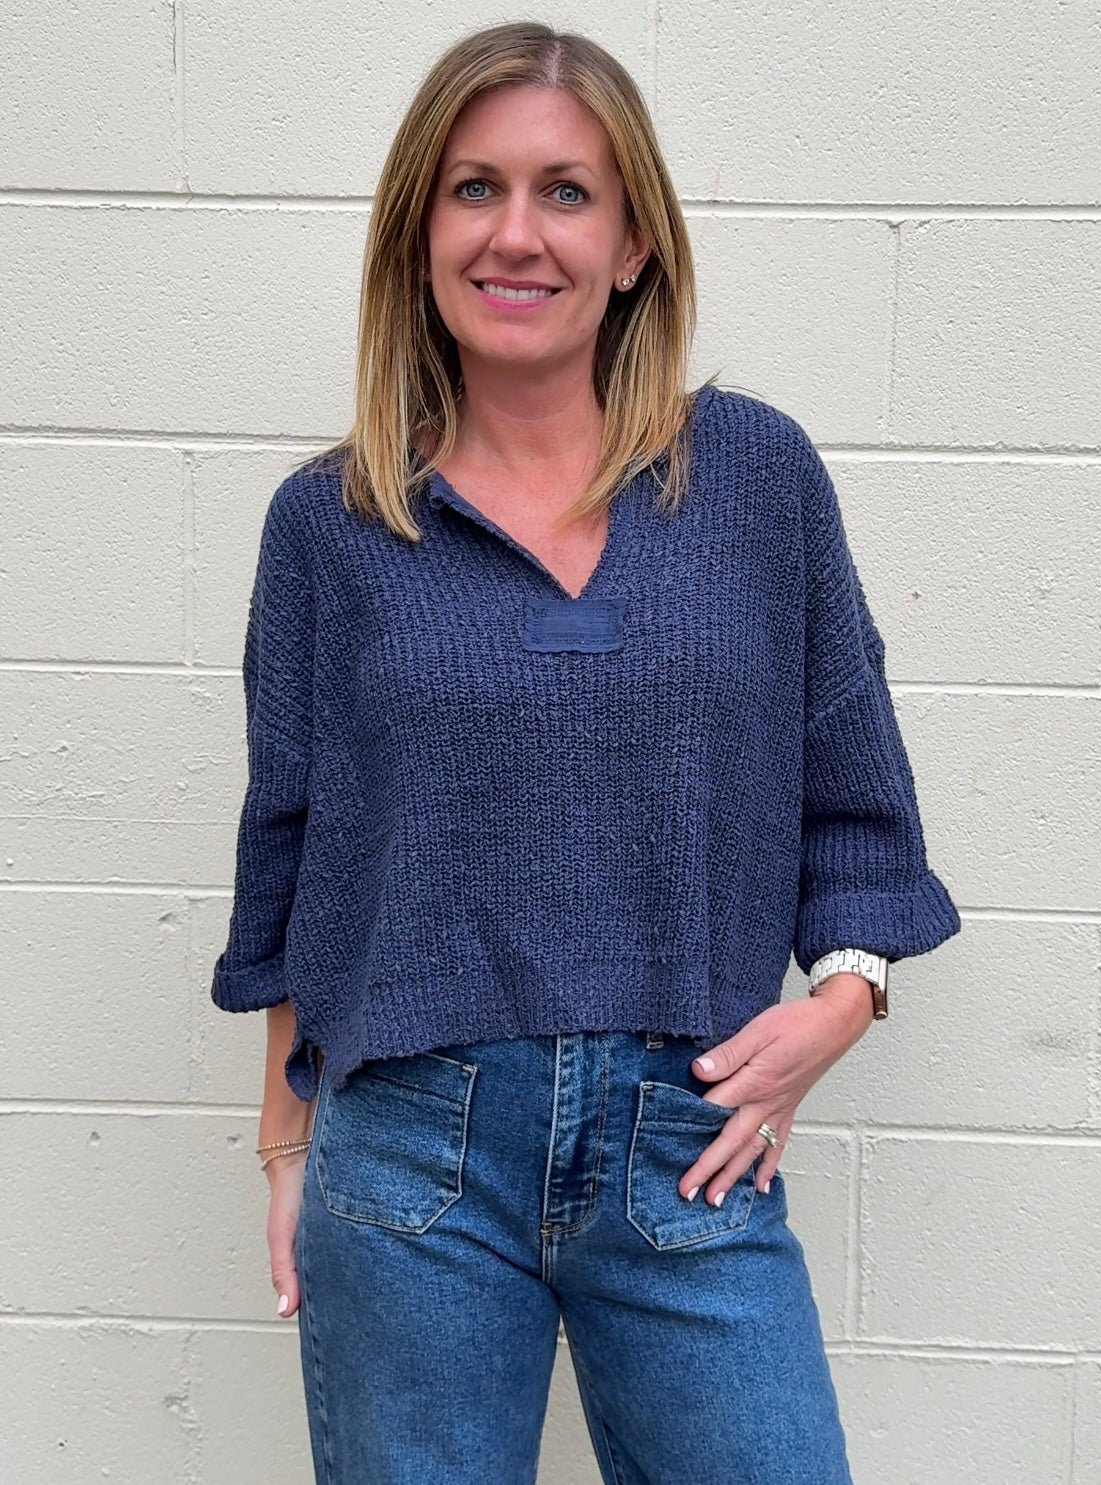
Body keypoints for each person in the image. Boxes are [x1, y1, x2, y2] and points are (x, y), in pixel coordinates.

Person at [210, 20, 961, 1484]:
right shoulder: (331, 524)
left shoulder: (754, 479)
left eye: (565, 191)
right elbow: (291, 849)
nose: (517, 233)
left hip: (687, 1138)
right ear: (419, 233)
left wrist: (843, 1001)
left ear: (632, 246)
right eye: (473, 188)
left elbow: (854, 792)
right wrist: (285, 1147)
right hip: (409, 1152)